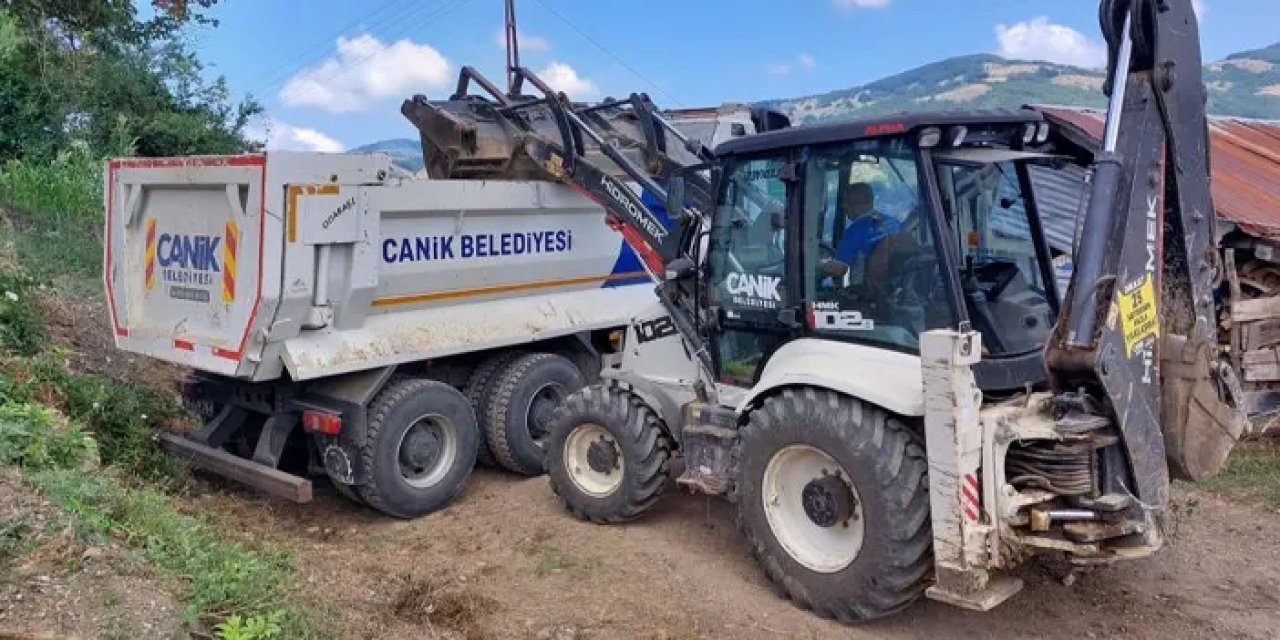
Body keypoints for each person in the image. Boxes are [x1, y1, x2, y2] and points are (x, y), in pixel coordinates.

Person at [822, 181, 899, 281]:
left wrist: (817, 268)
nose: (843, 207)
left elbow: (839, 269)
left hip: (866, 292)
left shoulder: (853, 232)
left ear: (857, 204)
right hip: (897, 289)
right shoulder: (894, 223)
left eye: (846, 202)